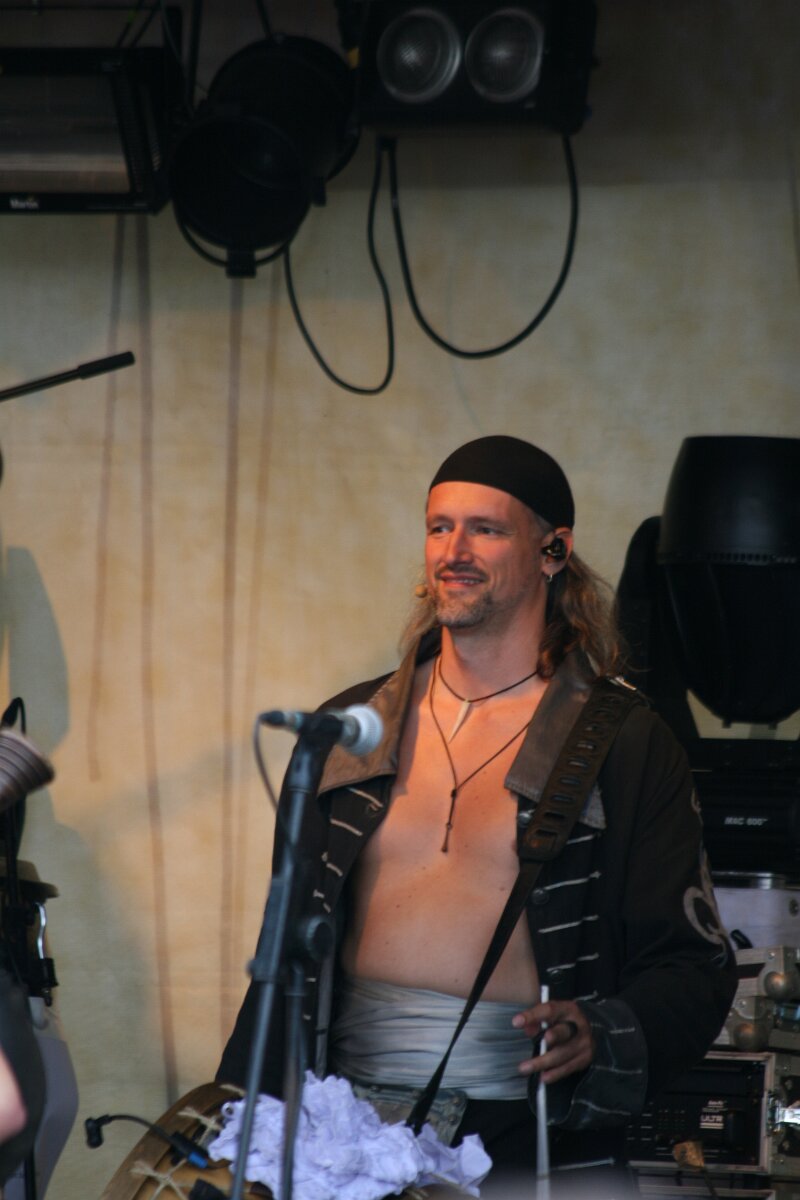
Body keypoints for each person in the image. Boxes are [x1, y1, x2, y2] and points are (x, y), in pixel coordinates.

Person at [218, 435, 737, 1193]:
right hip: (339, 1138)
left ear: (553, 551)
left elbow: (692, 965)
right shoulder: (352, 731)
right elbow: (283, 958)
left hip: (523, 1142)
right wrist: (234, 1126)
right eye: (439, 527)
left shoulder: (623, 745)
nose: (453, 552)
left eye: (485, 529)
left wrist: (602, 1030)